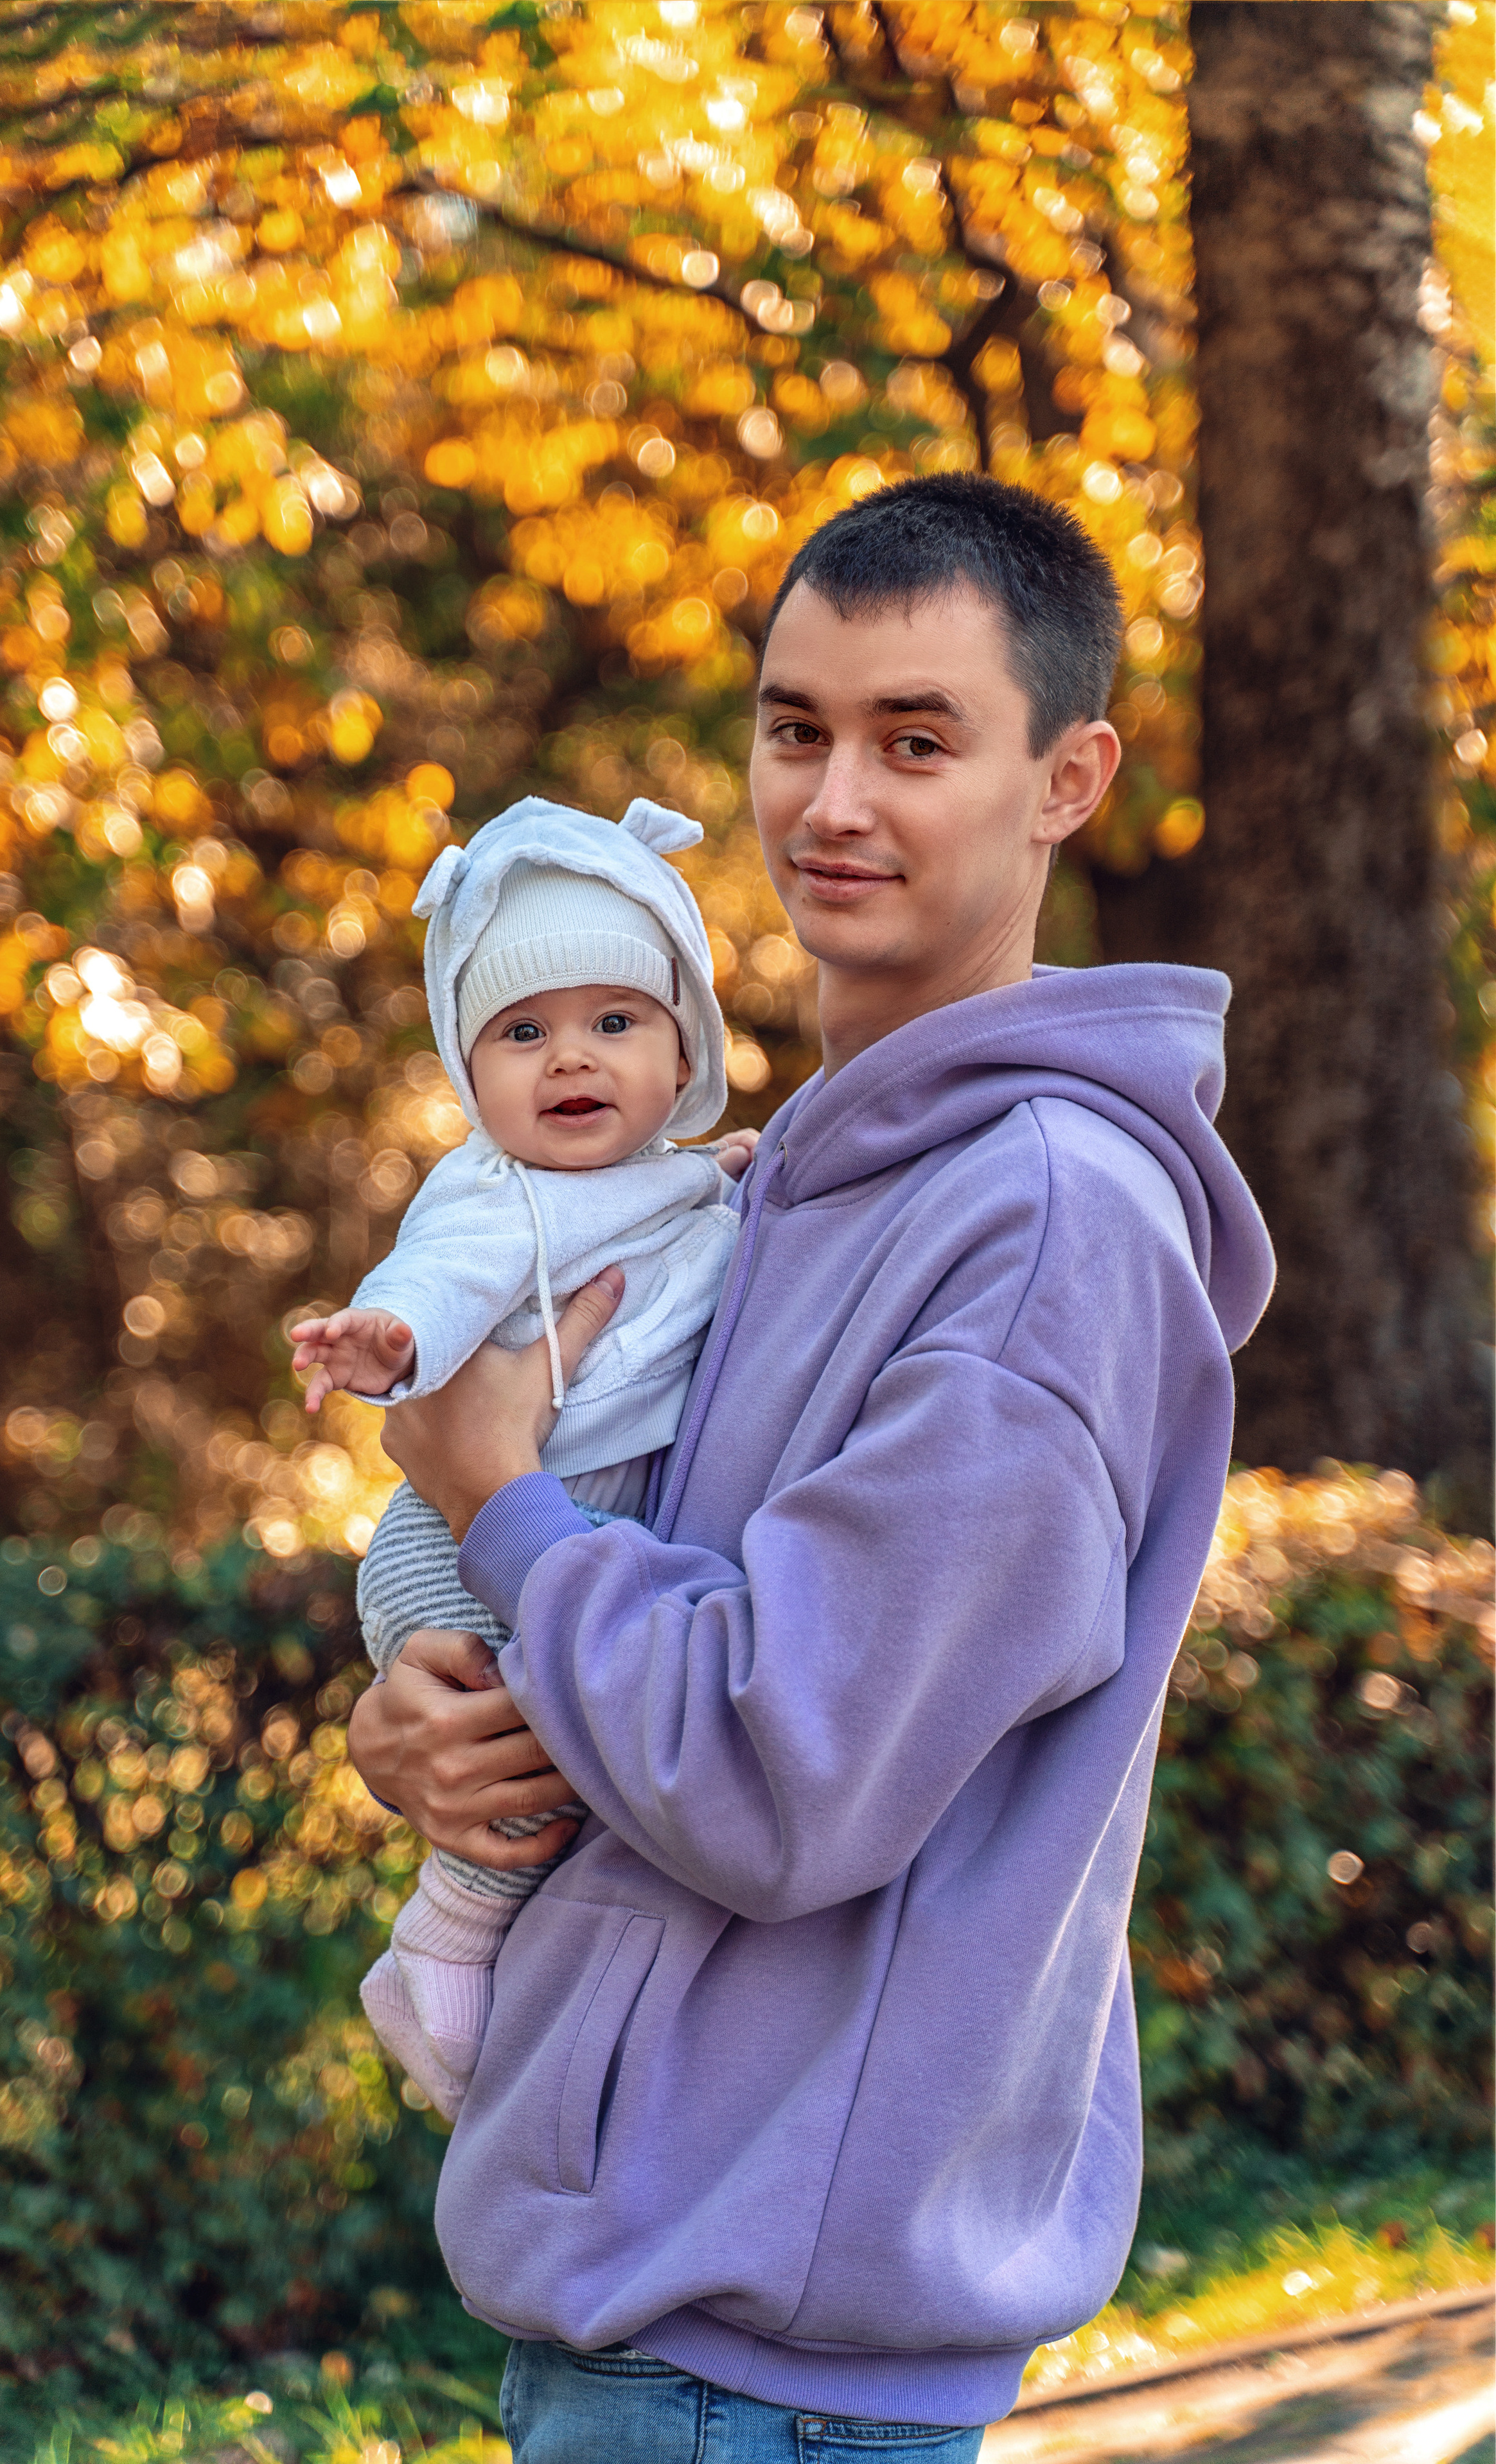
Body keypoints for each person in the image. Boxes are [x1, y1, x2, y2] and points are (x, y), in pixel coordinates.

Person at [348, 471, 1276, 2464]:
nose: (834, 801)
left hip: (751, 2369)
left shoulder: (1039, 1221)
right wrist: (446, 1718)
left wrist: (499, 1500)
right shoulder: (773, 1182)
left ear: (1068, 778)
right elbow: (664, 1619)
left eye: (916, 740)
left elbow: (784, 1765)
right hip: (665, 2311)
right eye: (798, 728)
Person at [288, 795, 755, 2118]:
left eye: (614, 1020)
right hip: (453, 1544)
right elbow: (440, 1274)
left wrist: (737, 1169)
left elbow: (703, 1224)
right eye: (523, 1032)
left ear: (683, 1048)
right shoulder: (497, 1194)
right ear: (469, 1067)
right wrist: (391, 1336)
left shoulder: (678, 1182)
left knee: (592, 1730)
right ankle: (446, 1936)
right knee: (535, 1750)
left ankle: (468, 1947)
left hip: (546, 1520)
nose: (571, 1059)